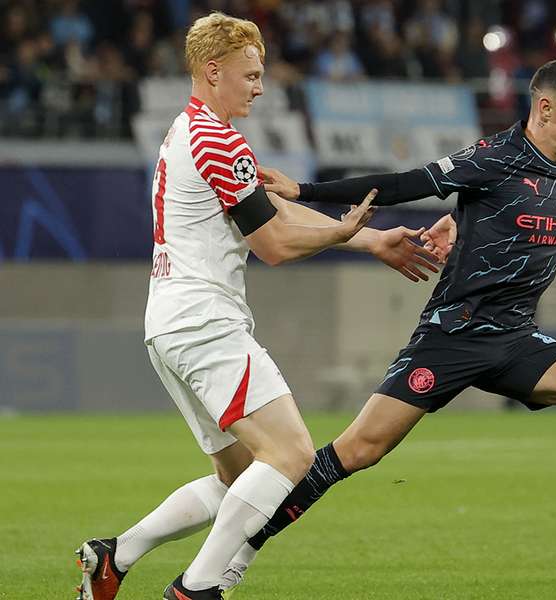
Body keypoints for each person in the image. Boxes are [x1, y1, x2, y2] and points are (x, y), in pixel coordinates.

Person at [222, 59, 556, 595]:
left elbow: (498, 218)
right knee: (357, 451)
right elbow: (407, 183)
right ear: (545, 108)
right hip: (454, 334)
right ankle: (239, 551)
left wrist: (466, 224)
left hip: (516, 338)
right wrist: (306, 191)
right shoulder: (495, 157)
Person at [74, 12, 440, 600]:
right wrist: (344, 233)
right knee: (292, 453)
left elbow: (270, 210)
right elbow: (272, 243)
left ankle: (115, 556)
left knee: (242, 476)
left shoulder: (185, 130)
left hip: (168, 323)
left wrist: (369, 239)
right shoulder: (218, 140)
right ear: (213, 71)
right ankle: (197, 589)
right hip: (205, 322)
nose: (260, 86)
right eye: (251, 74)